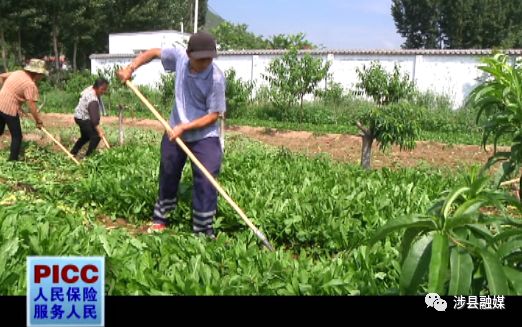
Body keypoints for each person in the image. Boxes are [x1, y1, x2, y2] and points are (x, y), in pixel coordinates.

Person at [117, 31, 226, 238]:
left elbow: (214, 115)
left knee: (207, 177)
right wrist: (131, 68)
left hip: (204, 135)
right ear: (189, 54)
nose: (205, 63)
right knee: (168, 171)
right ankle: (161, 218)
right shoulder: (180, 58)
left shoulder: (216, 78)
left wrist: (185, 128)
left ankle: (203, 229)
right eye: (200, 58)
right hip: (175, 129)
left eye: (209, 58)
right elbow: (153, 53)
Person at [0, 59, 47, 161]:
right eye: (41, 74)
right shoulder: (30, 85)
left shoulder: (18, 72)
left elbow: (2, 76)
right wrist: (38, 121)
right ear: (37, 73)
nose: (41, 77)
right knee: (17, 136)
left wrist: (6, 93)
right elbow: (31, 106)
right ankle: (12, 161)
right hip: (9, 109)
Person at [70, 78, 109, 157]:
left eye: (105, 89)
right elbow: (94, 120)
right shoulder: (92, 100)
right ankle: (89, 157)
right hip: (82, 118)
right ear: (98, 87)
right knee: (96, 136)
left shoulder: (92, 89)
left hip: (79, 116)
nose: (104, 92)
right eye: (103, 89)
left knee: (85, 137)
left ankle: (72, 153)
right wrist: (100, 132)